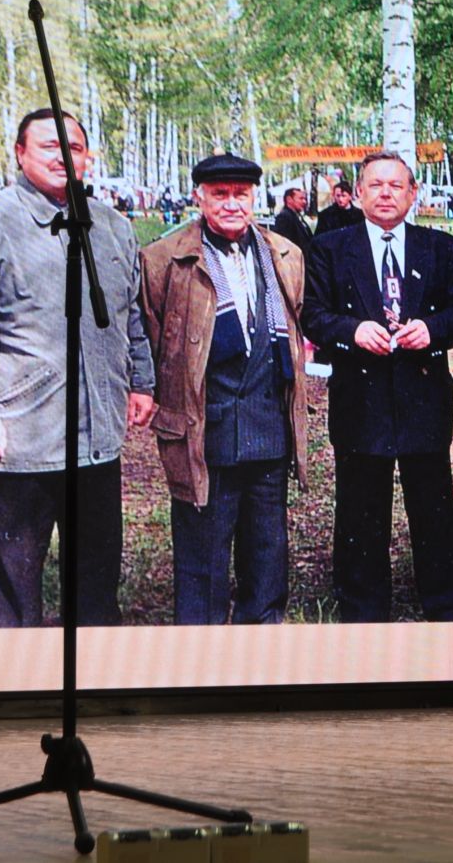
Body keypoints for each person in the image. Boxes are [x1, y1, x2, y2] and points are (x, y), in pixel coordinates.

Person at [0, 108, 156, 627]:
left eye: (73, 148)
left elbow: (130, 314)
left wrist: (140, 379)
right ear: (20, 153)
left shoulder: (113, 227)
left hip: (97, 440)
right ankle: (12, 694)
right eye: (49, 146)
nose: (62, 156)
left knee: (97, 582)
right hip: (22, 439)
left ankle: (94, 685)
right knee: (14, 588)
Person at [302, 151, 453, 622]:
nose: (385, 193)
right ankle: (362, 606)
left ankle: (444, 603)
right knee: (360, 506)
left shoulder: (440, 248)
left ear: (413, 194)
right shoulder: (331, 248)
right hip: (360, 397)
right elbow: (312, 314)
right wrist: (352, 331)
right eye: (374, 185)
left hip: (423, 397)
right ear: (357, 194)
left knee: (433, 503)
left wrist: (433, 330)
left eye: (396, 185)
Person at [139, 154, 310, 625]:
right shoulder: (164, 259)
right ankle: (202, 658)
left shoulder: (285, 254)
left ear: (255, 197)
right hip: (204, 430)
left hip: (268, 423)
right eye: (220, 194)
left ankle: (261, 642)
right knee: (203, 556)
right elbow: (154, 341)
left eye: (241, 194)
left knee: (267, 549)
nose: (232, 204)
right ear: (199, 197)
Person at [270, 185, 315, 253]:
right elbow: (284, 243)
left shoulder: (297, 216)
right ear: (289, 199)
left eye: (305, 199)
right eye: (301, 198)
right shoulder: (284, 217)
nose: (304, 202)